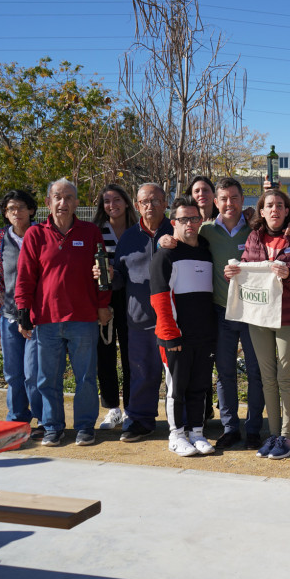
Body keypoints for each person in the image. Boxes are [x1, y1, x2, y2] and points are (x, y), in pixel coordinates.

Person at [15, 177, 111, 447]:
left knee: (86, 378)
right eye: (58, 197)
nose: (63, 202)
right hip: (46, 319)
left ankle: (84, 427)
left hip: (83, 318)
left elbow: (101, 272)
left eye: (69, 197)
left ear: (77, 203)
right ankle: (53, 427)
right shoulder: (35, 234)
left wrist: (103, 304)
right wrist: (23, 311)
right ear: (48, 202)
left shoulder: (90, 232)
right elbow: (25, 277)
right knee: (46, 379)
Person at [225, 189, 290, 460]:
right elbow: (250, 273)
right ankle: (274, 434)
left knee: (286, 377)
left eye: (280, 205)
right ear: (261, 212)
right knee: (267, 377)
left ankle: (289, 437)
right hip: (259, 316)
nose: (274, 210)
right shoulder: (254, 237)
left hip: (288, 317)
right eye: (269, 206)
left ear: (288, 210)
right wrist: (234, 273)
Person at [198, 177, 266, 450]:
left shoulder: (253, 230)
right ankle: (230, 427)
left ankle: (253, 429)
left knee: (255, 372)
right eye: (223, 198)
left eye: (234, 198)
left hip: (250, 312)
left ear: (242, 200)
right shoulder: (205, 231)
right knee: (224, 373)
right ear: (215, 202)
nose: (229, 203)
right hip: (220, 312)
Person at [149, 197, 218, 457]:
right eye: (183, 219)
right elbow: (159, 298)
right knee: (177, 389)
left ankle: (197, 433)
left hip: (205, 335)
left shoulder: (207, 251)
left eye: (194, 218)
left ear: (201, 220)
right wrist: (170, 335)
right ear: (173, 222)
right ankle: (176, 436)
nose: (189, 223)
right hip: (176, 337)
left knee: (200, 386)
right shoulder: (165, 255)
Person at [112, 183, 173, 443]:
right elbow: (118, 279)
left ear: (164, 203)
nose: (150, 206)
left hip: (175, 318)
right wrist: (106, 277)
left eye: (156, 200)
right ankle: (140, 421)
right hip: (139, 319)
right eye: (145, 202)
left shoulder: (177, 230)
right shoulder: (128, 238)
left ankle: (184, 422)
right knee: (141, 373)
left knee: (179, 376)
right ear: (137, 206)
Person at [0, 189, 43, 438]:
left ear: (31, 210)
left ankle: (44, 421)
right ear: (5, 214)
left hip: (37, 316)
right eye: (10, 209)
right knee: (13, 373)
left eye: (20, 207)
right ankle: (16, 420)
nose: (15, 212)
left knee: (34, 373)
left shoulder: (42, 234)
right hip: (9, 315)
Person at [91, 183, 138, 430]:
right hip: (105, 300)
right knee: (105, 355)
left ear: (127, 202)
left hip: (133, 299)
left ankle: (131, 408)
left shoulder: (138, 229)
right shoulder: (96, 230)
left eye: (117, 199)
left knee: (132, 355)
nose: (112, 205)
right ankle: (113, 409)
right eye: (107, 201)